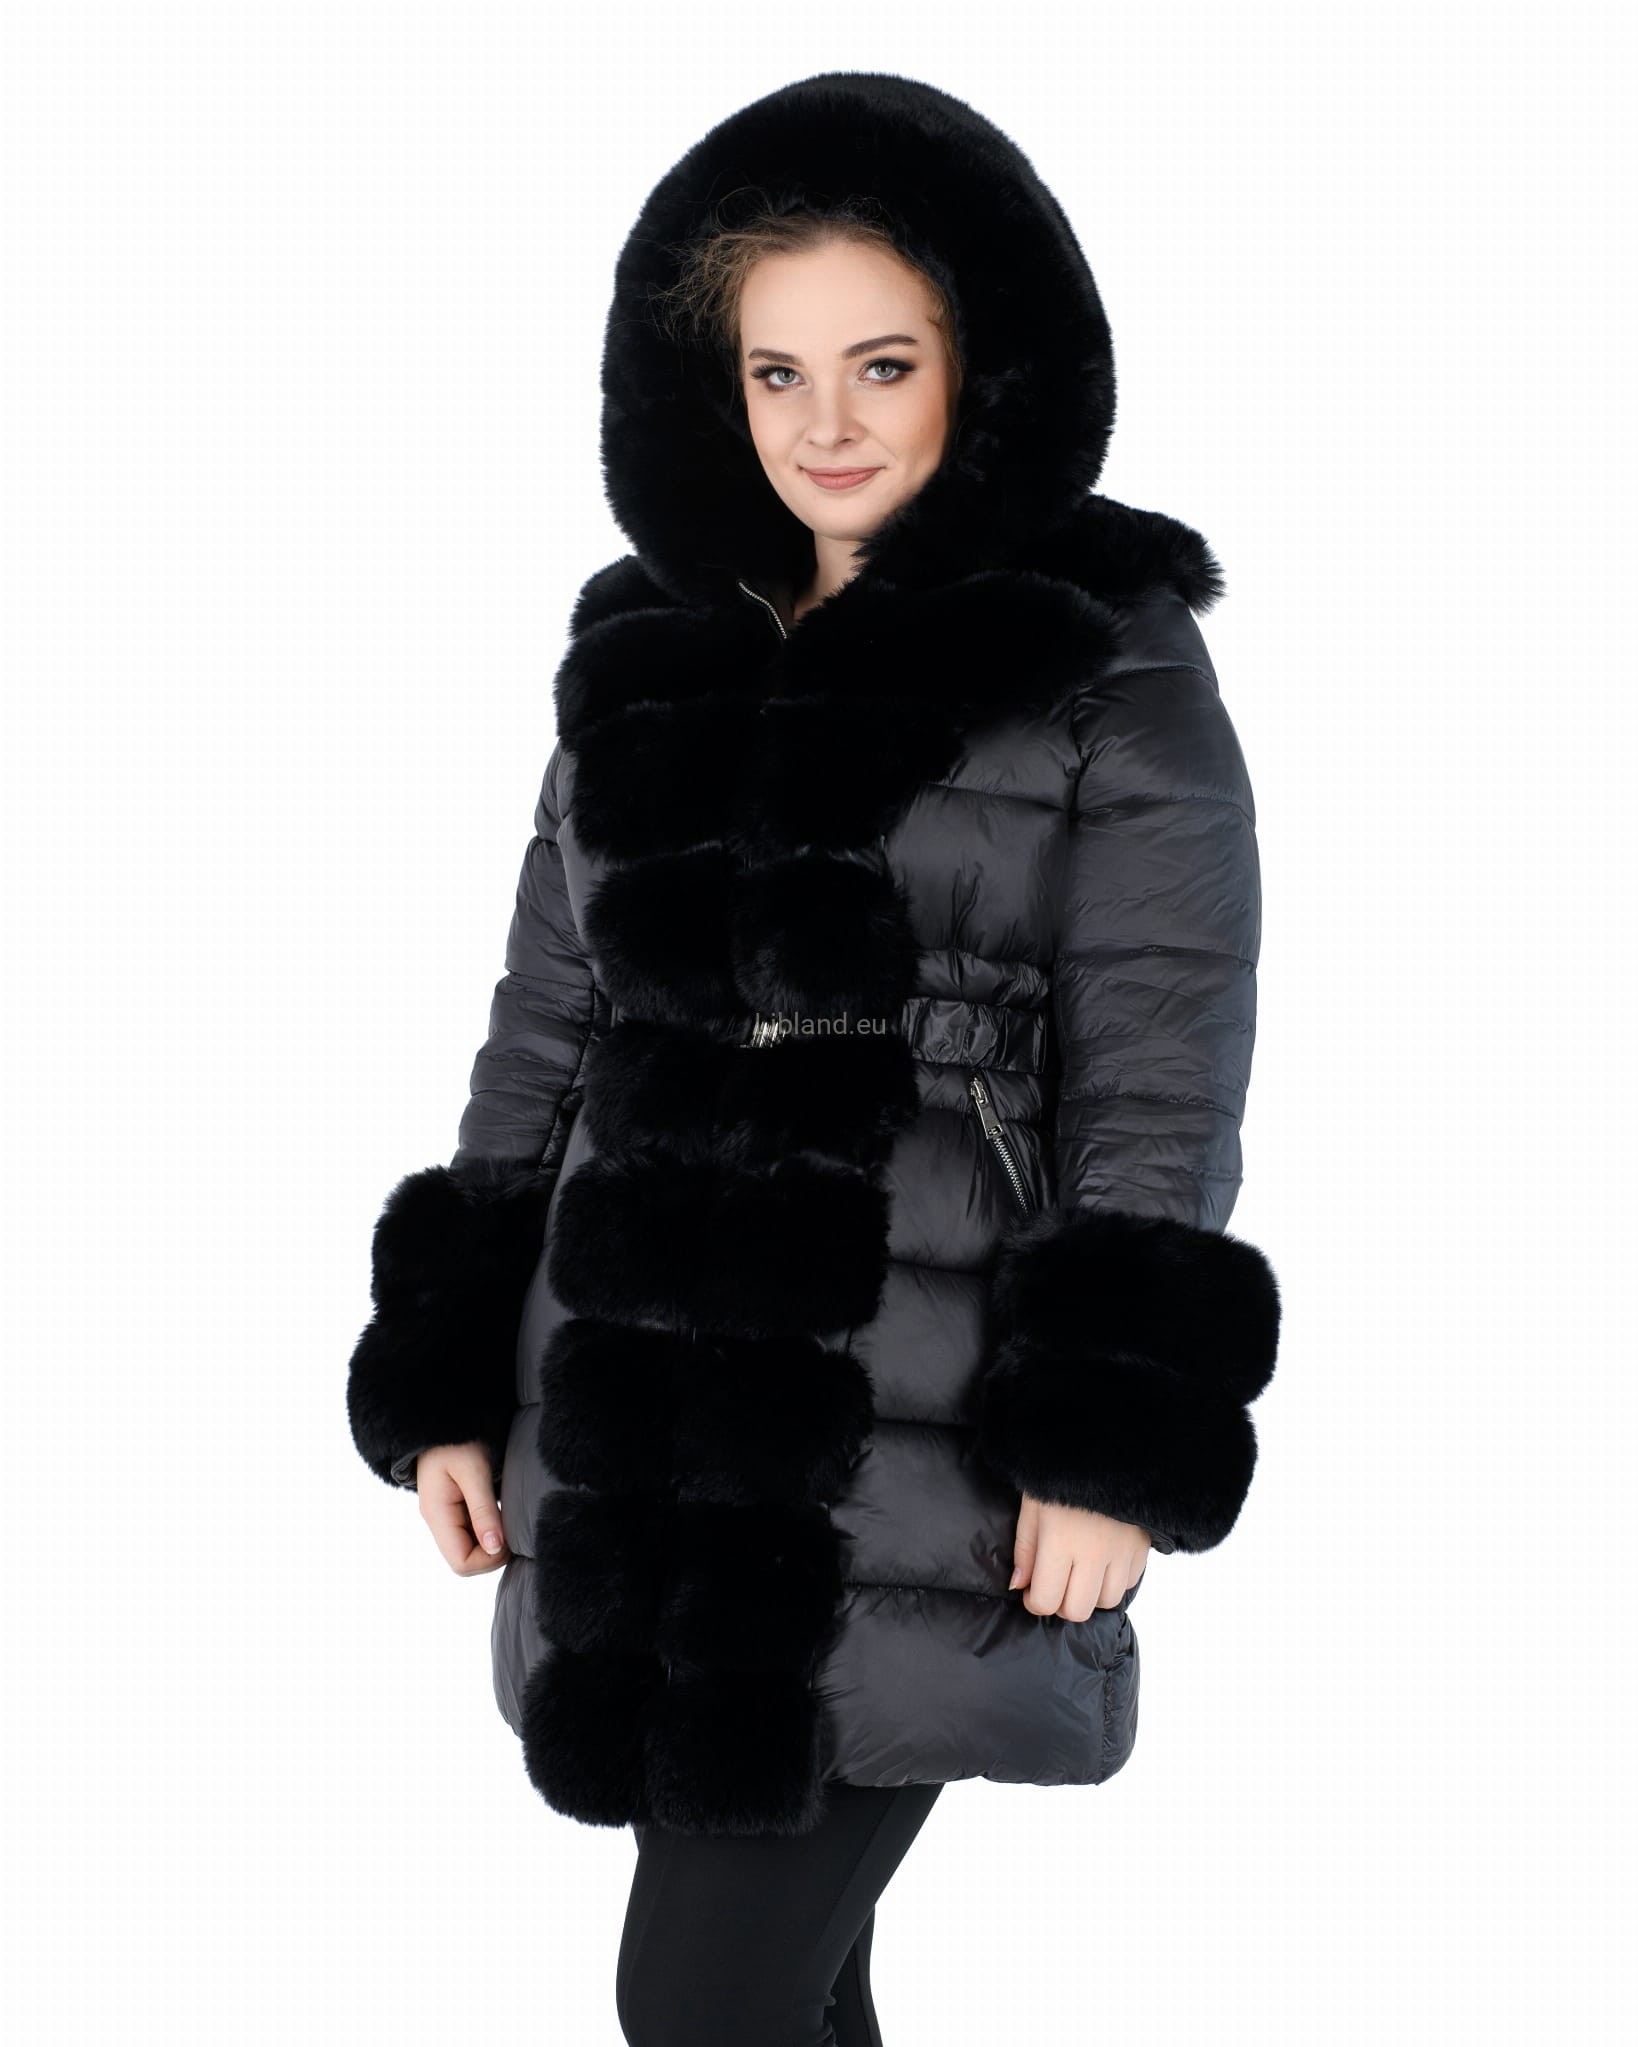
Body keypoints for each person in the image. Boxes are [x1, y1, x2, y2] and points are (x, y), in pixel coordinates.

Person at [346, 71, 1281, 2045]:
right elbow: (548, 1023)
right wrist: (446, 1368)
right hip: (631, 1419)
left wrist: (1106, 1433)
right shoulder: (648, 650)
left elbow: (1160, 1061)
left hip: (914, 1418)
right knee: (785, 1993)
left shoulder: (1100, 657)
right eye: (777, 372)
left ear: (983, 367)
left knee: (701, 1996)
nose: (826, 423)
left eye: (882, 364)